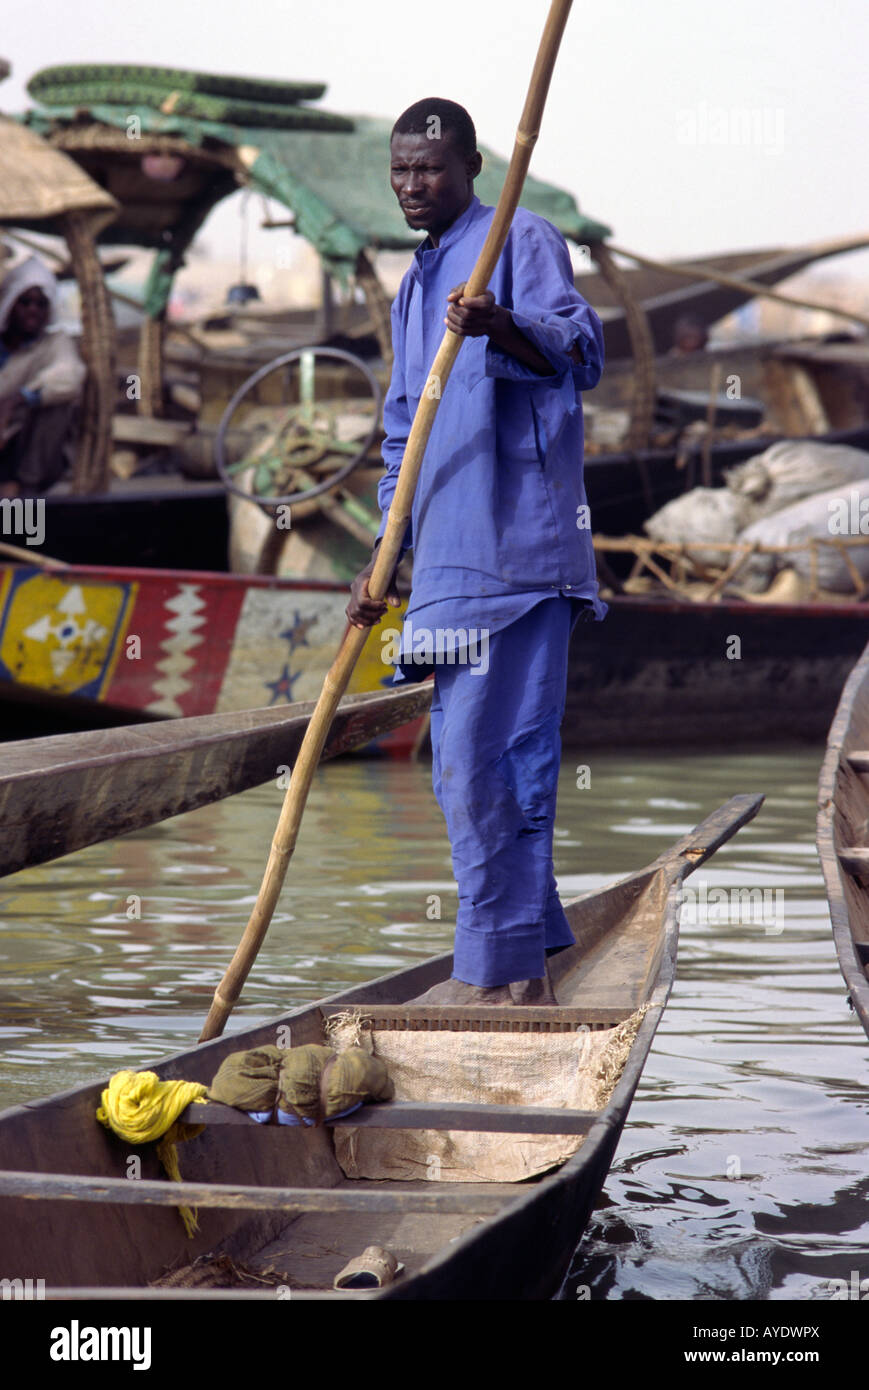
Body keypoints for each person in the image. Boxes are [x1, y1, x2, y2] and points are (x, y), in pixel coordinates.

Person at [346, 98, 605, 1005]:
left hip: (520, 557)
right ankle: (529, 953)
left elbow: (579, 347)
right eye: (401, 171)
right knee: (464, 763)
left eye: (430, 171)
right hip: (446, 573)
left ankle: (497, 977)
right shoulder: (414, 287)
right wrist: (383, 556)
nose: (412, 187)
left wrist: (504, 326)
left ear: (470, 171)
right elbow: (396, 443)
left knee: (491, 763)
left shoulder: (515, 241)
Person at [0, 256, 86, 499]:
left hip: (22, 450)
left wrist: (16, 400)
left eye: (41, 304)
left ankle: (23, 488)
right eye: (25, 302)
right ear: (9, 303)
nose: (32, 310)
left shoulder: (55, 344)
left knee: (56, 402)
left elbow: (69, 376)